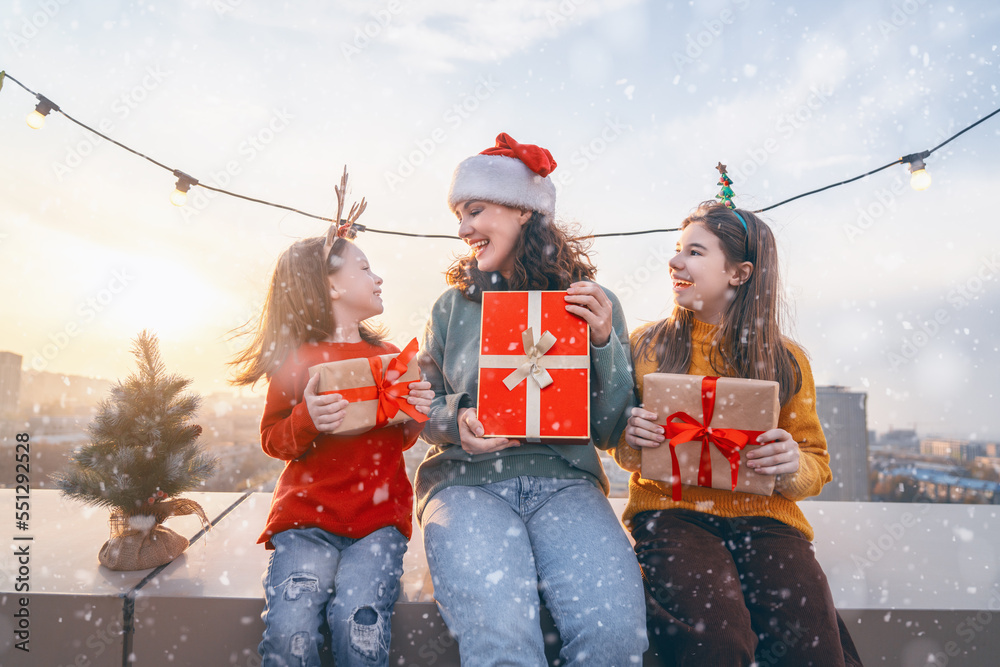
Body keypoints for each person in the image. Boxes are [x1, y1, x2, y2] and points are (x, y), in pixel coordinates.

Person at [414, 133, 648, 666]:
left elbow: (613, 429)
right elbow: (420, 405)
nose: (463, 228)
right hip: (466, 483)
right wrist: (457, 420)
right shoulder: (451, 307)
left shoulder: (592, 302)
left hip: (566, 482)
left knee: (614, 638)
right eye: (459, 214)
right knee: (502, 645)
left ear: (524, 211)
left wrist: (604, 343)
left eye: (475, 209)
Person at [611, 201, 863, 666]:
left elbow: (815, 465)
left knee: (815, 649)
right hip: (673, 514)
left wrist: (792, 464)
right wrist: (633, 437)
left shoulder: (787, 361)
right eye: (676, 249)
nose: (674, 261)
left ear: (739, 274)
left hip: (769, 521)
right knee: (717, 644)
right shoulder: (646, 347)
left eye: (694, 252)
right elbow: (620, 446)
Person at [231, 207, 435, 666]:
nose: (378, 278)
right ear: (331, 286)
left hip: (378, 524)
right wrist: (308, 418)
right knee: (291, 631)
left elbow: (395, 441)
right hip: (305, 524)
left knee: (357, 624)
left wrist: (415, 415)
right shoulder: (295, 360)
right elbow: (274, 440)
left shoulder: (389, 357)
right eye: (364, 268)